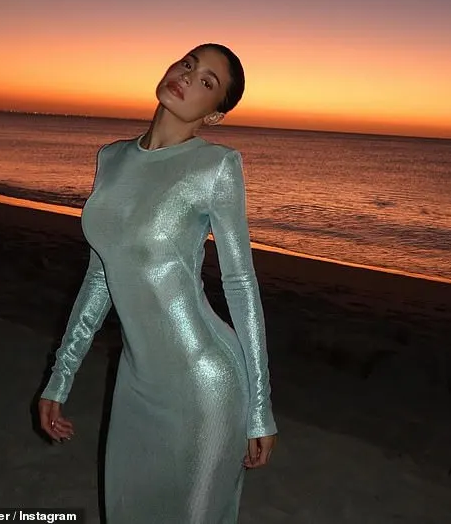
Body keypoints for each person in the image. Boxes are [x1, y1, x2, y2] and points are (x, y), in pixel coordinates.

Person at [38, 43, 278, 523]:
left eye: (207, 81)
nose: (188, 76)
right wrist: (59, 378)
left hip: (204, 382)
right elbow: (100, 275)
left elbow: (240, 284)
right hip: (135, 382)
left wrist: (259, 406)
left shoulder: (216, 167)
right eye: (189, 63)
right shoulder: (111, 158)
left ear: (213, 116)